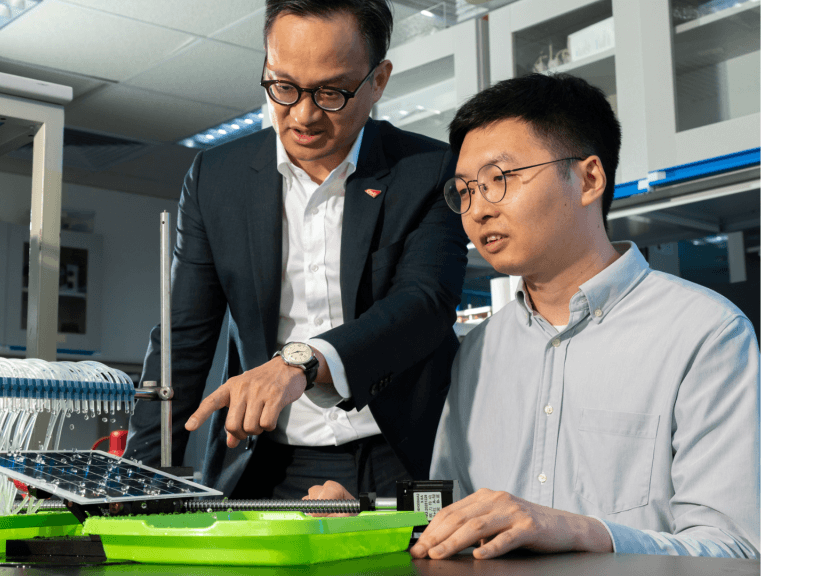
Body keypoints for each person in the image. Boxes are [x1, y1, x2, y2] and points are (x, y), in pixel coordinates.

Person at [306, 73, 760, 559]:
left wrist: (579, 531)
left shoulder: (705, 334)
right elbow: (454, 520)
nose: (477, 210)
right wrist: (368, 522)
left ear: (588, 179)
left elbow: (738, 550)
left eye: (499, 179)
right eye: (466, 190)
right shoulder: (478, 351)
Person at [124, 0, 468, 500]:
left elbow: (423, 303)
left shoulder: (429, 169)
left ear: (378, 81)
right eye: (283, 87)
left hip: (403, 451)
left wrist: (299, 364)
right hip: (267, 461)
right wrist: (137, 481)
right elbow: (183, 339)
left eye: (332, 92)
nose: (304, 115)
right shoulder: (216, 178)